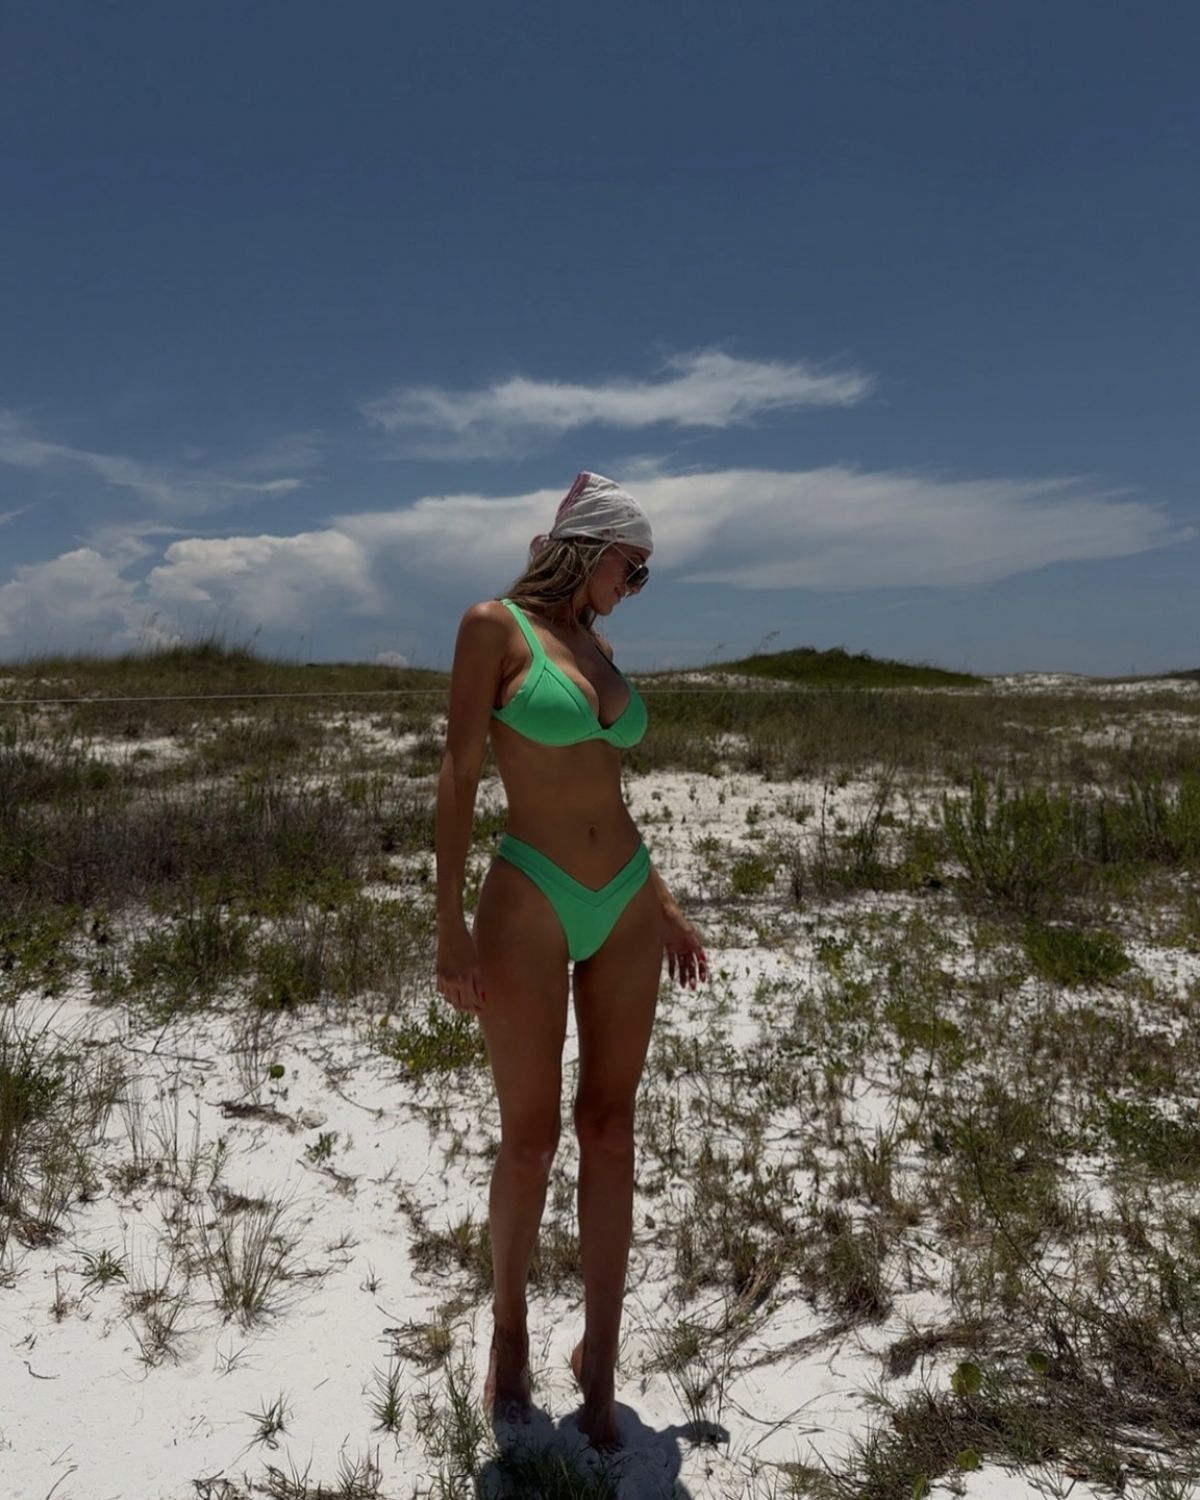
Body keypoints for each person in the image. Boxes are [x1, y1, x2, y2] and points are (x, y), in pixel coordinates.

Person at [434, 471, 708, 1450]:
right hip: (531, 895)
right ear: (589, 548)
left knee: (612, 1132)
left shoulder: (601, 647)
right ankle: (509, 1333)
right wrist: (448, 924)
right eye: (632, 568)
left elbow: (608, 790)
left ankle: (602, 1358)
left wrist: (664, 904)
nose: (635, 587)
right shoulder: (494, 627)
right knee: (530, 1139)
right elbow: (460, 769)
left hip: (625, 894)